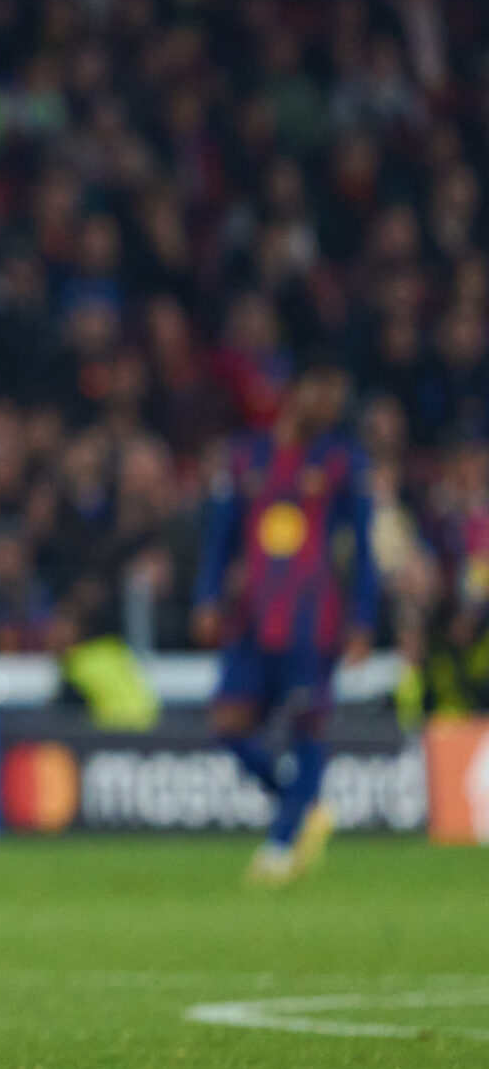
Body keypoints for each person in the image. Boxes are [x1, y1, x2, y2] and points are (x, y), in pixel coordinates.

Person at [192, 361, 376, 886]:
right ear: (296, 394)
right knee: (227, 727)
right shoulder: (245, 455)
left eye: (338, 397)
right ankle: (299, 806)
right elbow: (220, 536)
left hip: (312, 623)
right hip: (251, 619)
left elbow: (361, 551)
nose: (332, 406)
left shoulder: (342, 461)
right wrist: (207, 598)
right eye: (324, 392)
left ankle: (280, 845)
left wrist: (362, 619)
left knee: (306, 727)